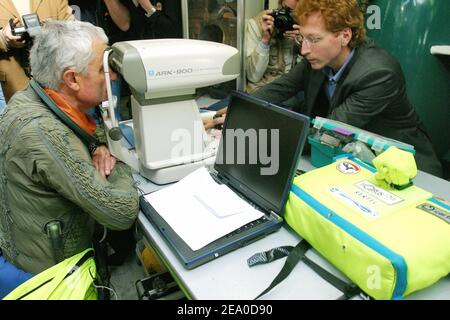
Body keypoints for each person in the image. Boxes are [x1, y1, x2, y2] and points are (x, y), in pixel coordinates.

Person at [0, 20, 140, 281]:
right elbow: (121, 213)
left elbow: (83, 129)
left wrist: (96, 145)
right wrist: (119, 159)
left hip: (25, 249)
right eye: (102, 69)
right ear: (72, 79)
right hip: (50, 278)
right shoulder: (44, 133)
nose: (112, 77)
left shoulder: (31, 96)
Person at [251, 0, 442, 177]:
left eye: (314, 39)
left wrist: (257, 138)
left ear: (344, 35)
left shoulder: (379, 73)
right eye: (303, 39)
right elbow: (280, 88)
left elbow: (329, 131)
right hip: (355, 158)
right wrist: (240, 109)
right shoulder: (320, 58)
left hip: (406, 170)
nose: (304, 50)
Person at [0, 0, 74, 102]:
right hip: (12, 88)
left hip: (55, 84)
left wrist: (50, 30)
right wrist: (3, 37)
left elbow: (72, 32)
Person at [246, 0, 300, 94]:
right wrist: (265, 40)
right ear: (279, 4)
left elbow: (306, 76)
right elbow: (253, 77)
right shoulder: (257, 23)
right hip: (261, 89)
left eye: (294, 14)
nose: (287, 17)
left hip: (291, 91)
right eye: (285, 10)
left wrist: (303, 41)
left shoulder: (305, 26)